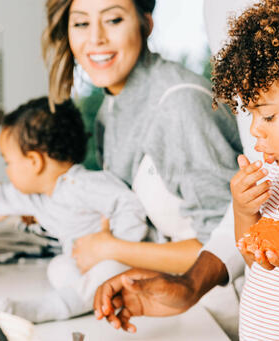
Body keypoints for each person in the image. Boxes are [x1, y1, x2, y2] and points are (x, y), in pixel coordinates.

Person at [93, 0, 279, 337]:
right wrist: (244, 211)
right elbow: (255, 259)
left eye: (267, 116)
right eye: (251, 114)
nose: (255, 129)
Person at [42, 0, 241, 275]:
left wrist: (110, 249)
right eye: (81, 23)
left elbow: (231, 244)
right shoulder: (108, 110)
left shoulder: (179, 105)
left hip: (217, 305)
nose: (96, 38)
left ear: (145, 23)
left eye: (113, 20)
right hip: (159, 292)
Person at [0, 97, 148, 323]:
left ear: (35, 161)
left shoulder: (86, 185)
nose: (7, 171)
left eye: (8, 162)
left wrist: (114, 247)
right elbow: (0, 197)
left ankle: (50, 307)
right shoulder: (38, 197)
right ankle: (95, 298)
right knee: (58, 267)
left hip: (123, 261)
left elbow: (129, 204)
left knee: (108, 269)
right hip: (85, 265)